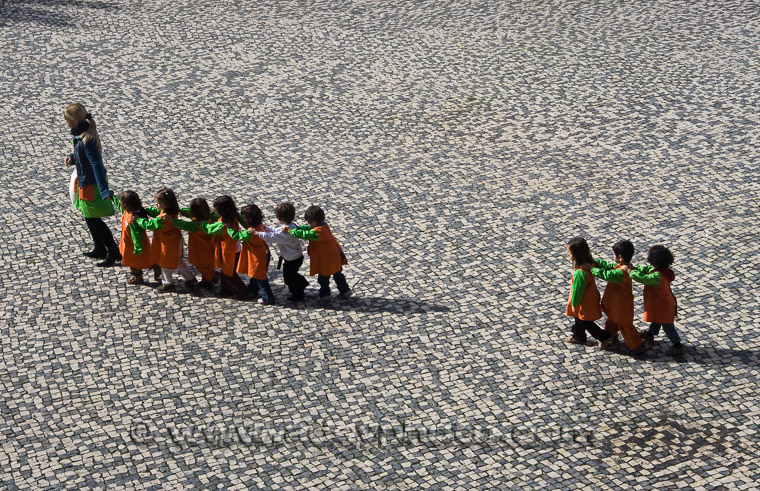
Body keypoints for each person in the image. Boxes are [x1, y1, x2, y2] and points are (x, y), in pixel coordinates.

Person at [63, 103, 121, 266]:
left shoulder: (86, 139)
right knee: (88, 217)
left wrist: (103, 190)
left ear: (73, 120)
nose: (65, 121)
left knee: (94, 219)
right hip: (85, 182)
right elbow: (82, 156)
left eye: (66, 118)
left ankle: (113, 251)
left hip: (92, 185)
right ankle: (100, 248)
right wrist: (73, 157)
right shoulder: (81, 136)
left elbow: (96, 165)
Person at [628, 245, 684, 356]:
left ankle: (678, 345)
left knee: (668, 326)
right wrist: (636, 268)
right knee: (656, 320)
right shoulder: (664, 271)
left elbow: (644, 278)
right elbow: (646, 270)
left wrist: (631, 271)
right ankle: (650, 334)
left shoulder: (657, 276)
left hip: (663, 307)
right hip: (662, 305)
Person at [287, 205, 351, 300]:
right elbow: (309, 229)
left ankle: (325, 295)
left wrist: (290, 231)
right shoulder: (323, 226)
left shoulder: (317, 232)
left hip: (326, 260)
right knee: (338, 275)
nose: (309, 224)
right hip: (335, 256)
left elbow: (306, 234)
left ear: (313, 221)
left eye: (309, 222)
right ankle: (345, 291)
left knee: (323, 278)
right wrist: (300, 227)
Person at [591, 240, 645, 352]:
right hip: (617, 303)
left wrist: (592, 269)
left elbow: (607, 274)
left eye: (613, 254)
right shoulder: (622, 266)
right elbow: (609, 266)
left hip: (621, 305)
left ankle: (636, 345)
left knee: (625, 325)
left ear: (620, 257)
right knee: (612, 319)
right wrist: (596, 263)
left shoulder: (621, 273)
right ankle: (610, 335)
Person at [252, 202, 308, 302]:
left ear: (279, 218)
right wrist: (265, 228)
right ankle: (301, 283)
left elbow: (272, 237)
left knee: (288, 278)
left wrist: (257, 233)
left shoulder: (286, 232)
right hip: (294, 257)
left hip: (292, 259)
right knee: (291, 275)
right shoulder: (289, 226)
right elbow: (275, 231)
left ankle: (298, 293)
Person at [564, 237, 613, 348]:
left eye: (569, 253)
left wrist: (574, 303)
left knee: (585, 321)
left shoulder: (580, 273)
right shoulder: (590, 264)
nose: (568, 255)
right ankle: (578, 336)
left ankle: (604, 336)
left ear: (577, 255)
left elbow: (577, 290)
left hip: (583, 301)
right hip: (590, 296)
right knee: (579, 318)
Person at [147, 187, 198, 293]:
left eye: (158, 203)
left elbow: (151, 225)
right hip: (175, 241)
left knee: (165, 263)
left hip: (168, 244)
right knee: (179, 261)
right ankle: (190, 278)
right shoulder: (173, 211)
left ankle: (167, 283)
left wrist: (139, 220)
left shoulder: (163, 217)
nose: (157, 205)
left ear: (166, 203)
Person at [231, 204, 275, 305]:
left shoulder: (250, 233)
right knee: (256, 276)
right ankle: (253, 289)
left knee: (261, 278)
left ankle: (268, 297)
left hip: (258, 258)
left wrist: (229, 228)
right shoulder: (259, 225)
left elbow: (237, 236)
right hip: (264, 254)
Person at [115, 191, 161, 285]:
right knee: (146, 258)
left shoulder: (133, 219)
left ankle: (137, 277)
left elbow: (137, 235)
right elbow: (119, 206)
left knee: (132, 262)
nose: (120, 204)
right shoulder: (128, 212)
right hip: (129, 243)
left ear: (126, 205)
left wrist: (138, 248)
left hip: (133, 246)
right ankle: (155, 265)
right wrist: (112, 197)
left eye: (121, 203)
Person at [212, 195, 249, 300]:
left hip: (229, 251)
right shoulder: (234, 216)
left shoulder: (221, 224)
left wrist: (203, 224)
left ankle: (243, 292)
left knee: (229, 273)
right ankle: (226, 289)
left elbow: (210, 230)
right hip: (235, 248)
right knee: (225, 272)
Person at [182, 198, 223, 289]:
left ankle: (211, 276)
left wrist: (172, 221)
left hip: (198, 249)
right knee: (207, 265)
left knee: (200, 265)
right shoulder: (209, 217)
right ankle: (206, 280)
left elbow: (183, 224)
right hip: (209, 247)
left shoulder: (195, 225)